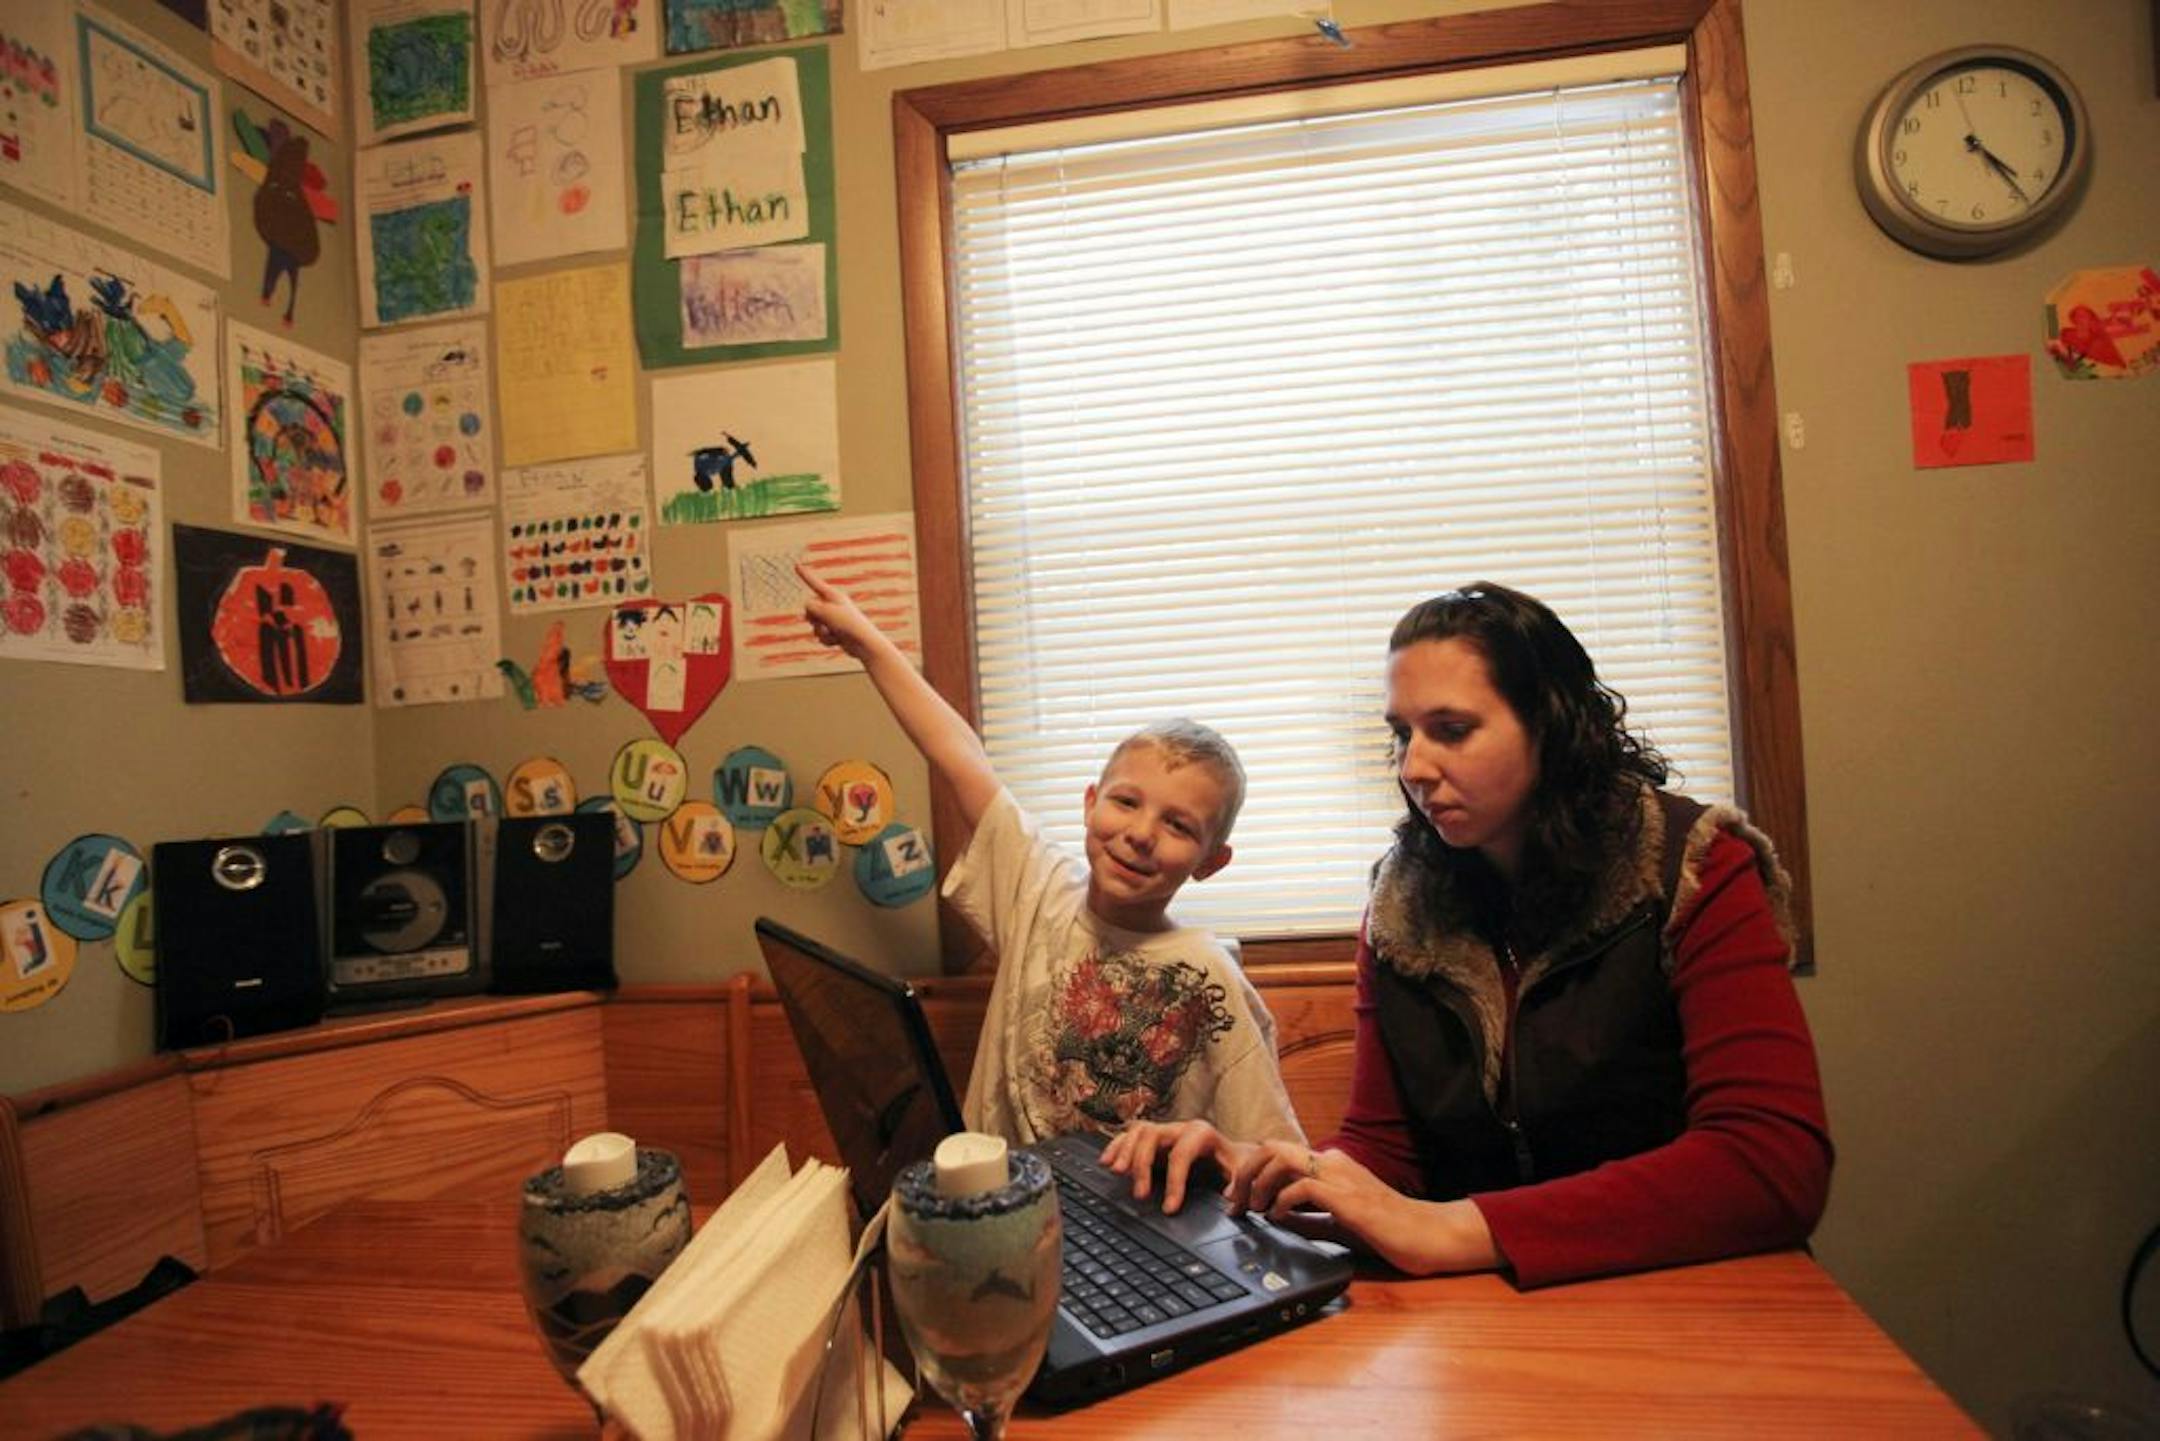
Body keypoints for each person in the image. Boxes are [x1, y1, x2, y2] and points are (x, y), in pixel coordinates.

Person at [1104, 583, 1832, 1287]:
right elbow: (1385, 1151)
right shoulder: (1402, 901)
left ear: (1550, 725)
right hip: (1482, 1317)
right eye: (1402, 734)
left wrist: (1455, 1230)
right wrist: (1257, 1171)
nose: (1414, 767)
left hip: (1694, 1302)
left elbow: (1771, 1159)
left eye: (1451, 730)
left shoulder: (1694, 869)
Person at [797, 564, 1304, 1152]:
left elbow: (1272, 1150)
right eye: (1126, 802)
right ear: (1090, 804)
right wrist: (868, 643)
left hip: (1129, 1231)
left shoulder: (1208, 975)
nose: (1141, 834)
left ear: (1210, 861)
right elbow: (961, 755)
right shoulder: (1037, 888)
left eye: (1177, 825)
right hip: (1001, 1205)